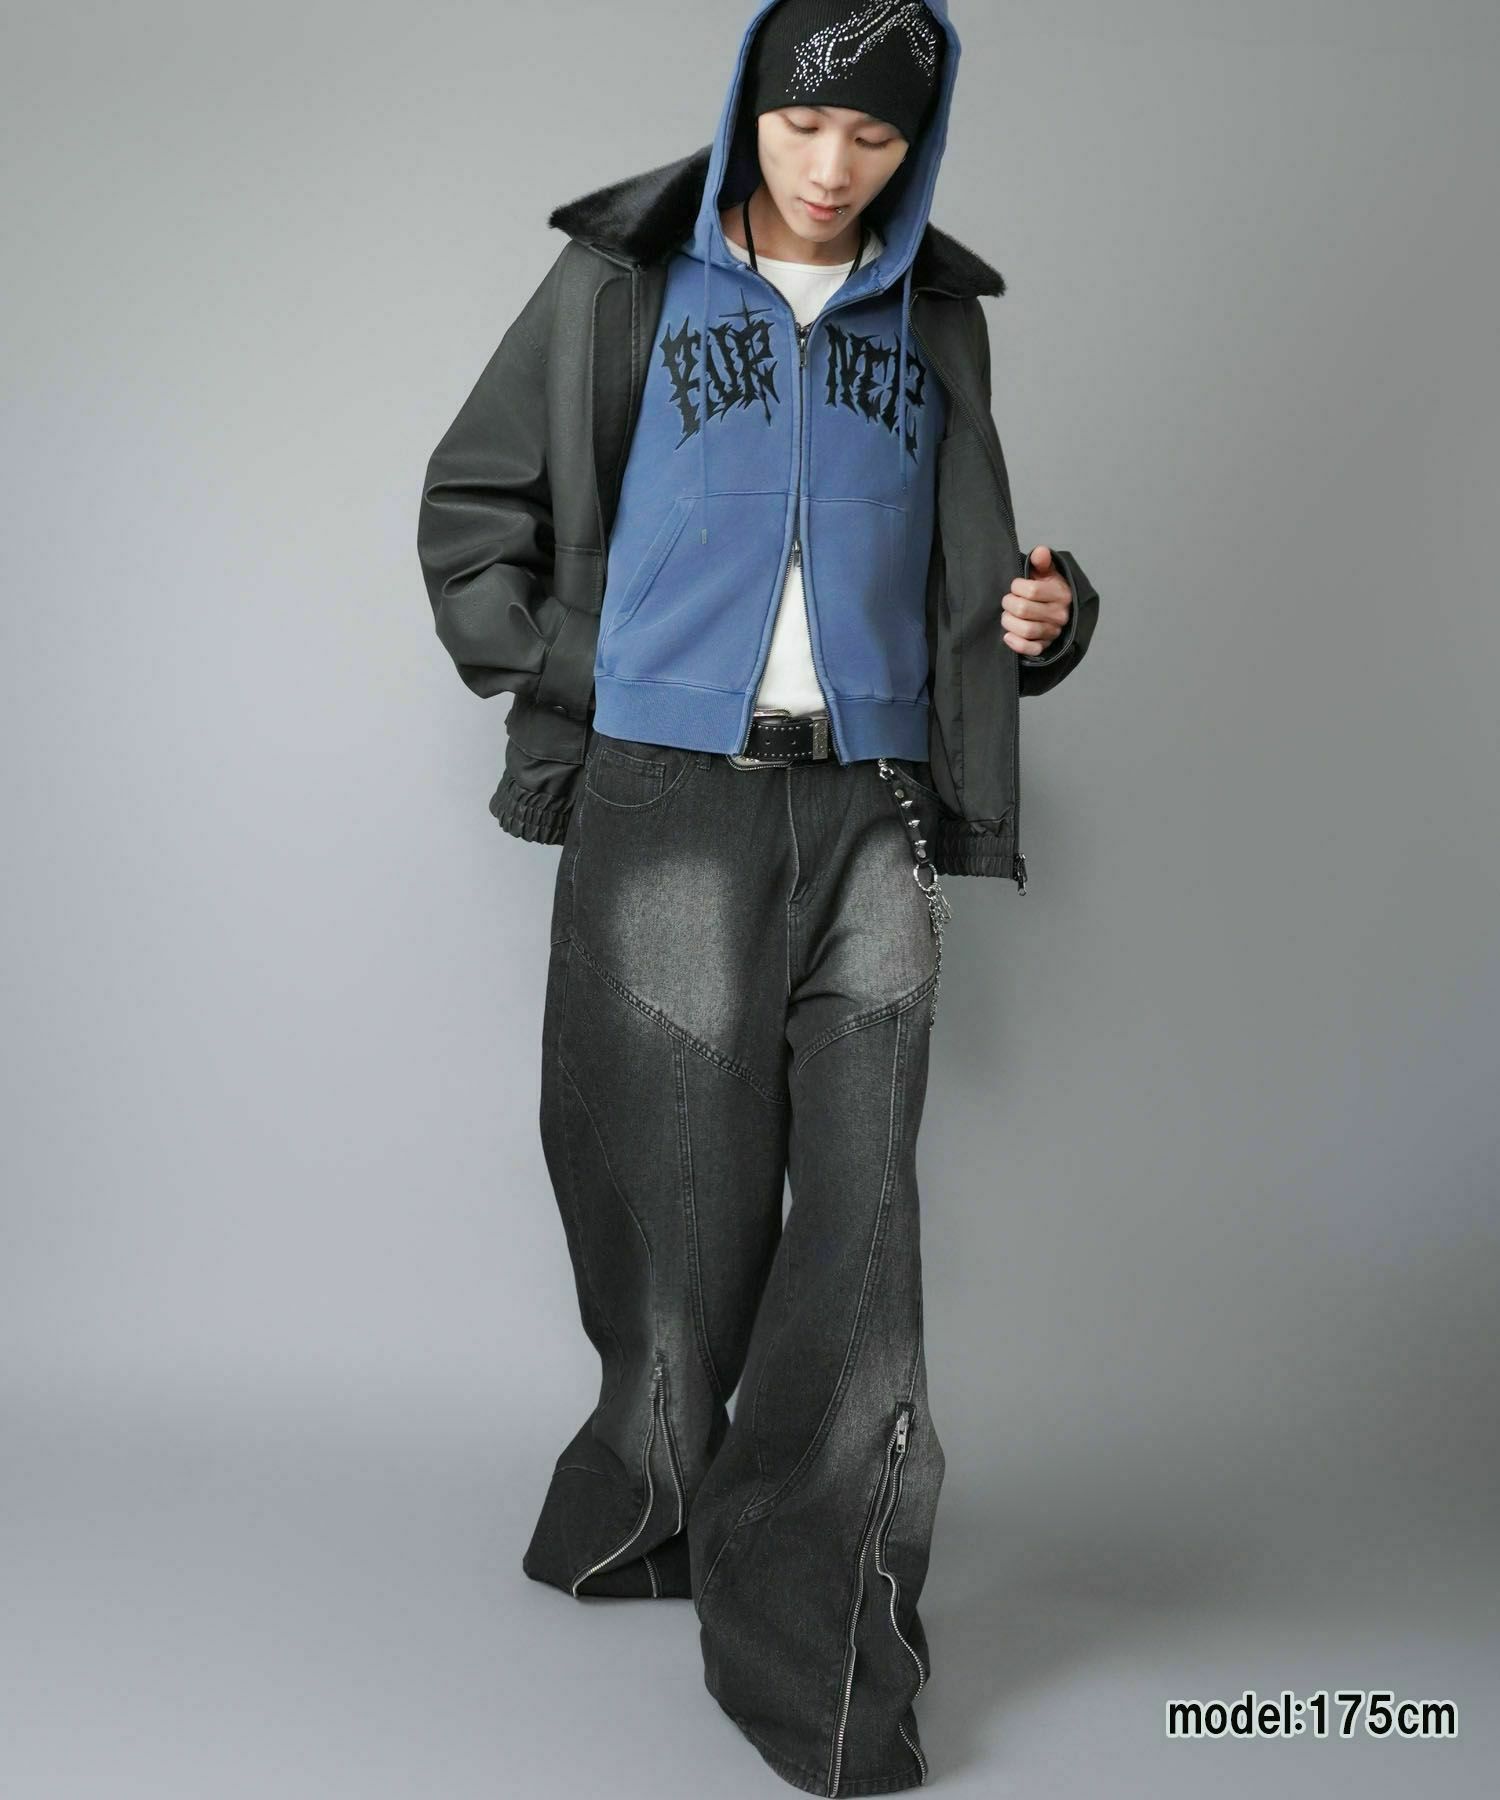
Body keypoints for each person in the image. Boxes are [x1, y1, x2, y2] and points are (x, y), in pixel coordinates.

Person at [416, 2, 1100, 1791]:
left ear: (914, 149)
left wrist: (1047, 623)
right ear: (748, 113)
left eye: (874, 138)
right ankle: (642, 1498)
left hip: (871, 801)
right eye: (805, 126)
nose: (831, 166)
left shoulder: (932, 316)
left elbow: (968, 564)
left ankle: (820, 1647)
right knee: (668, 1200)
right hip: (667, 794)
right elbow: (475, 505)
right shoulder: (621, 286)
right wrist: (589, 669)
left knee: (862, 1233)